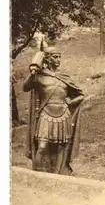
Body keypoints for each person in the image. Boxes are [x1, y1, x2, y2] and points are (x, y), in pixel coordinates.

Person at [23, 46, 87, 175]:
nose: (58, 60)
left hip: (63, 115)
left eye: (59, 57)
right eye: (55, 57)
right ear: (47, 58)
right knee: (42, 146)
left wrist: (71, 101)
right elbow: (25, 87)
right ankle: (37, 175)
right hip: (46, 114)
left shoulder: (64, 77)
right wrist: (33, 73)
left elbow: (80, 94)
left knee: (60, 147)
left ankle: (57, 175)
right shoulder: (39, 77)